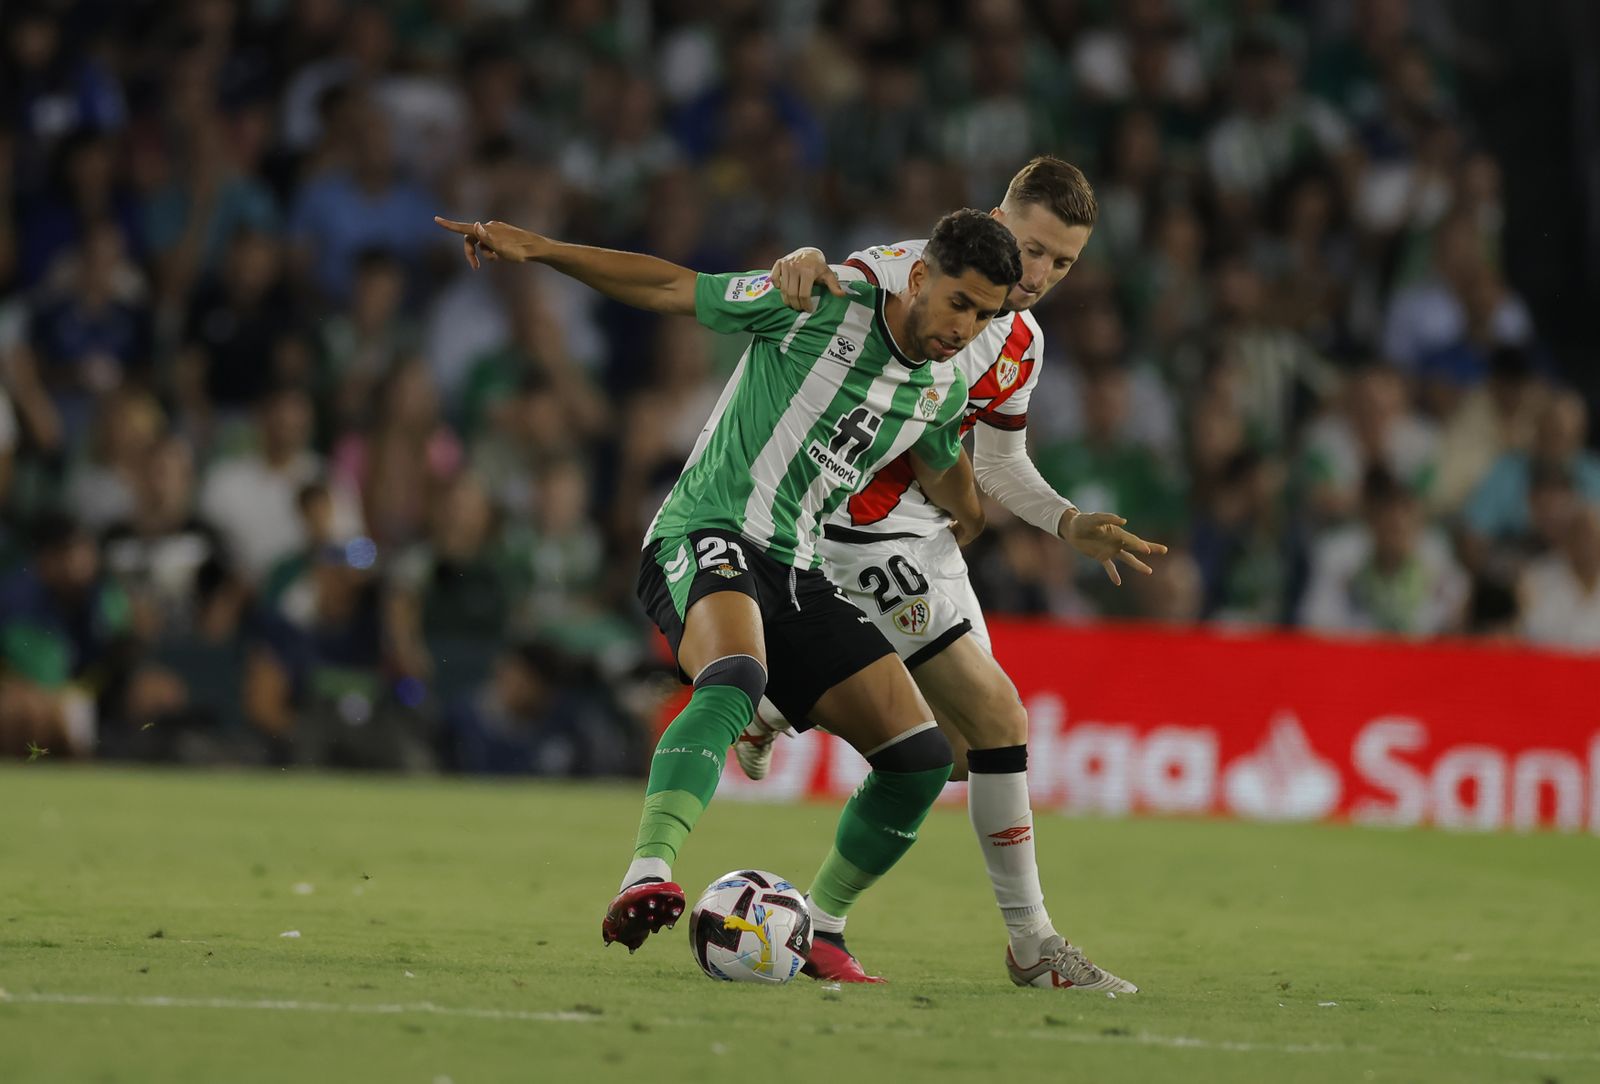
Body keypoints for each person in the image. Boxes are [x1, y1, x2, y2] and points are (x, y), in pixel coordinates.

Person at [435, 206, 1021, 982]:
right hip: (703, 532)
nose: (966, 326)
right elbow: (672, 287)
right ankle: (647, 870)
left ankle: (823, 928)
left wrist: (970, 515)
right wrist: (539, 249)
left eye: (986, 314)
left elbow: (942, 461)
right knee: (737, 674)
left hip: (797, 569)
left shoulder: (944, 388)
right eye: (959, 302)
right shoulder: (818, 301)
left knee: (921, 757)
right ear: (919, 276)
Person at [742, 156, 1162, 993]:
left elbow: (999, 462)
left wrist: (1067, 520)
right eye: (1031, 248)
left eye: (1063, 262)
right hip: (853, 530)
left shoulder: (1022, 342)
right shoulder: (913, 277)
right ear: (996, 216)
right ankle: (1032, 946)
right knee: (1002, 718)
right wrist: (799, 265)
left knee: (965, 756)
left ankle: (787, 709)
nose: (1039, 276)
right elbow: (835, 287)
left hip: (925, 538)